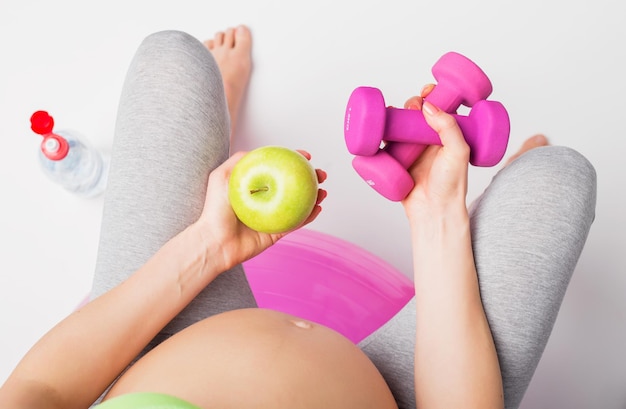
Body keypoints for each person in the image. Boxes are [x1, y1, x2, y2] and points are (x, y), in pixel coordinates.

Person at [0, 25, 596, 409]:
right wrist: (437, 218)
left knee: (172, 59)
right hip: (401, 391)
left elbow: (40, 392)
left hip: (163, 342)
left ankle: (219, 130)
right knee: (558, 181)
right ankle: (479, 205)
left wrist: (207, 244)